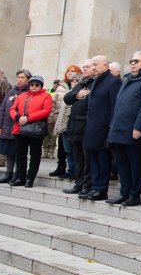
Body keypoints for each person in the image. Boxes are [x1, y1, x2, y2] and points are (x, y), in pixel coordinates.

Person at [107, 52, 141, 207]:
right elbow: (119, 106)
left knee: (135, 163)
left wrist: (138, 126)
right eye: (131, 61)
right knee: (122, 163)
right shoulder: (128, 79)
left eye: (137, 61)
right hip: (119, 128)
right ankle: (124, 192)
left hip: (133, 130)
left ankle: (134, 195)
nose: (133, 63)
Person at [83, 55, 122, 201]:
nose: (93, 67)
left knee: (102, 160)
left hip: (104, 128)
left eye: (96, 64)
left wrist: (111, 129)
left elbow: (114, 108)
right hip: (92, 127)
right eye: (92, 64)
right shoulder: (95, 81)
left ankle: (101, 188)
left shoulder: (113, 82)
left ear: (105, 65)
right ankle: (94, 186)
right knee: (92, 158)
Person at [8, 75, 54, 187]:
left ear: (41, 86)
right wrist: (18, 118)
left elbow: (46, 111)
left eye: (37, 85)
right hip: (20, 128)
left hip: (36, 129)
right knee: (20, 154)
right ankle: (20, 177)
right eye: (32, 84)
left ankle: (30, 178)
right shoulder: (22, 95)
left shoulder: (46, 96)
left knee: (35, 154)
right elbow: (12, 109)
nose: (34, 87)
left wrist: (28, 118)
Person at [0, 70, 31, 184]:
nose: (20, 79)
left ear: (28, 79)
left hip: (20, 127)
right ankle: (8, 173)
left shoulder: (29, 92)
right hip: (7, 126)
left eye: (23, 77)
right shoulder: (11, 92)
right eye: (18, 77)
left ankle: (17, 174)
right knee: (9, 151)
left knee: (18, 152)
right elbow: (2, 109)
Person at [62, 60, 94, 196]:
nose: (85, 69)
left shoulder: (94, 83)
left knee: (87, 159)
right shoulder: (81, 82)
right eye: (84, 67)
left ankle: (87, 185)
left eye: (88, 67)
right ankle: (79, 182)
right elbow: (67, 98)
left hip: (86, 127)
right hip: (75, 126)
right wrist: (77, 94)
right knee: (78, 158)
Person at [49, 64, 81, 178]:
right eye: (69, 71)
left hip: (74, 124)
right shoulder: (61, 87)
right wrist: (53, 117)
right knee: (65, 149)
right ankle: (67, 169)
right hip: (61, 121)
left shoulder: (81, 91)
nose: (70, 73)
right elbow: (54, 103)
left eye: (73, 71)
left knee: (73, 150)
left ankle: (75, 171)